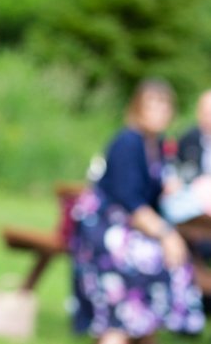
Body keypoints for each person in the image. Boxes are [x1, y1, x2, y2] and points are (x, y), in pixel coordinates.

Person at [68, 78, 204, 342]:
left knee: (173, 262)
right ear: (137, 107)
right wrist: (167, 235)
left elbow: (154, 196)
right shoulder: (128, 142)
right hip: (105, 231)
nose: (158, 111)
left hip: (130, 228)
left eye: (164, 106)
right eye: (151, 104)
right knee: (155, 261)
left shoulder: (158, 145)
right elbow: (129, 202)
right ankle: (117, 330)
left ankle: (140, 328)